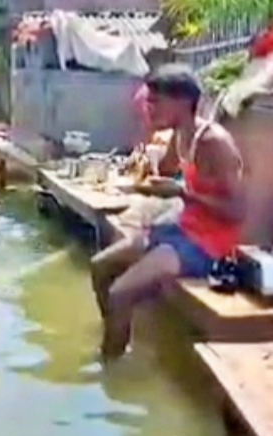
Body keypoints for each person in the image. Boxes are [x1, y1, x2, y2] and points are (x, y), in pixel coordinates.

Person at [91, 64, 245, 359]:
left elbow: (237, 213)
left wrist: (182, 193)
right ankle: (115, 335)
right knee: (100, 267)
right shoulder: (180, 134)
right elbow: (167, 170)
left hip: (209, 243)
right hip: (183, 226)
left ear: (184, 103)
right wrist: (152, 173)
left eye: (155, 102)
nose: (148, 108)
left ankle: (110, 369)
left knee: (120, 293)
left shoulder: (214, 142)